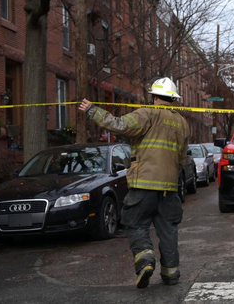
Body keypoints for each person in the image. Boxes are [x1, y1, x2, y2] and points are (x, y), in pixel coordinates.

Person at [79, 77, 189, 289]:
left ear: (154, 96)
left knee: (135, 223)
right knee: (168, 230)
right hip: (169, 187)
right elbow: (182, 159)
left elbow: (120, 126)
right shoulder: (182, 123)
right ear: (173, 99)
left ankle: (145, 260)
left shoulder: (147, 113)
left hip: (144, 184)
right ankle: (171, 274)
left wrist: (93, 110)